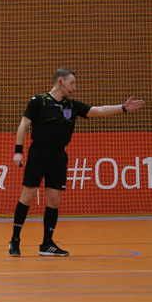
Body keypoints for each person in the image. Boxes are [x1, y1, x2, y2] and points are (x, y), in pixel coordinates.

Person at [9, 68, 145, 257]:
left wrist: (122, 107)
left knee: (53, 200)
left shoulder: (72, 106)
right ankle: (15, 241)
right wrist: (18, 151)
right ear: (60, 82)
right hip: (38, 153)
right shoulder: (38, 101)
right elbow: (23, 124)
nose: (75, 87)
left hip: (58, 156)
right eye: (72, 83)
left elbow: (98, 110)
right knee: (28, 196)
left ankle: (47, 244)